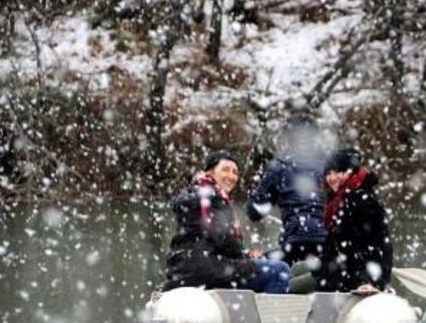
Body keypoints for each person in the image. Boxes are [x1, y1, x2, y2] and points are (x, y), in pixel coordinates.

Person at [163, 151, 290, 294]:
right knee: (280, 271)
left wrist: (245, 255)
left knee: (264, 264)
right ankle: (266, 316)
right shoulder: (210, 196)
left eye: (235, 172)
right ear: (210, 172)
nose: (231, 176)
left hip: (183, 269)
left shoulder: (196, 193)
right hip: (207, 268)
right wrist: (244, 255)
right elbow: (222, 237)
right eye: (225, 170)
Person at [245, 113, 327, 265]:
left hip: (294, 239)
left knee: (262, 267)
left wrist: (256, 186)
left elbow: (254, 212)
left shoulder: (279, 167)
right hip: (327, 241)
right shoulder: (330, 167)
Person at [314, 147, 393, 292]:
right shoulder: (338, 200)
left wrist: (369, 281)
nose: (332, 178)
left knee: (292, 281)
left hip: (350, 279)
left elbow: (372, 245)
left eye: (338, 172)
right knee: (295, 271)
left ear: (350, 171)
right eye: (328, 173)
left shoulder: (359, 200)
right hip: (337, 272)